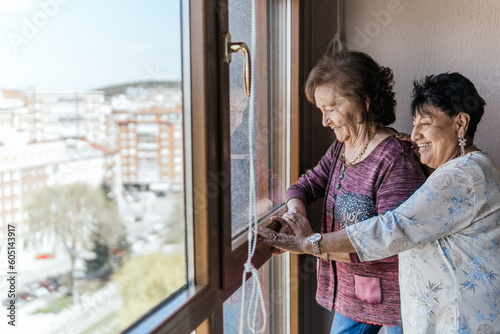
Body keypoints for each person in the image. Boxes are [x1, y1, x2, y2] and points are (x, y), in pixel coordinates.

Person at [259, 72, 500, 333]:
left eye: (425, 124)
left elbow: (391, 229)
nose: (414, 134)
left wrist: (309, 244)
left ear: (461, 123)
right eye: (414, 124)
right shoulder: (463, 170)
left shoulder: (462, 175)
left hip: (461, 319)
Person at [271, 51, 426, 333]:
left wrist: (312, 244)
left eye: (330, 108)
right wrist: (296, 214)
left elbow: (390, 244)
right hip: (352, 296)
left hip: (394, 301)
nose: (324, 121)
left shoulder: (395, 159)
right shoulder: (342, 149)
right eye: (321, 110)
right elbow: (305, 185)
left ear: (363, 101)